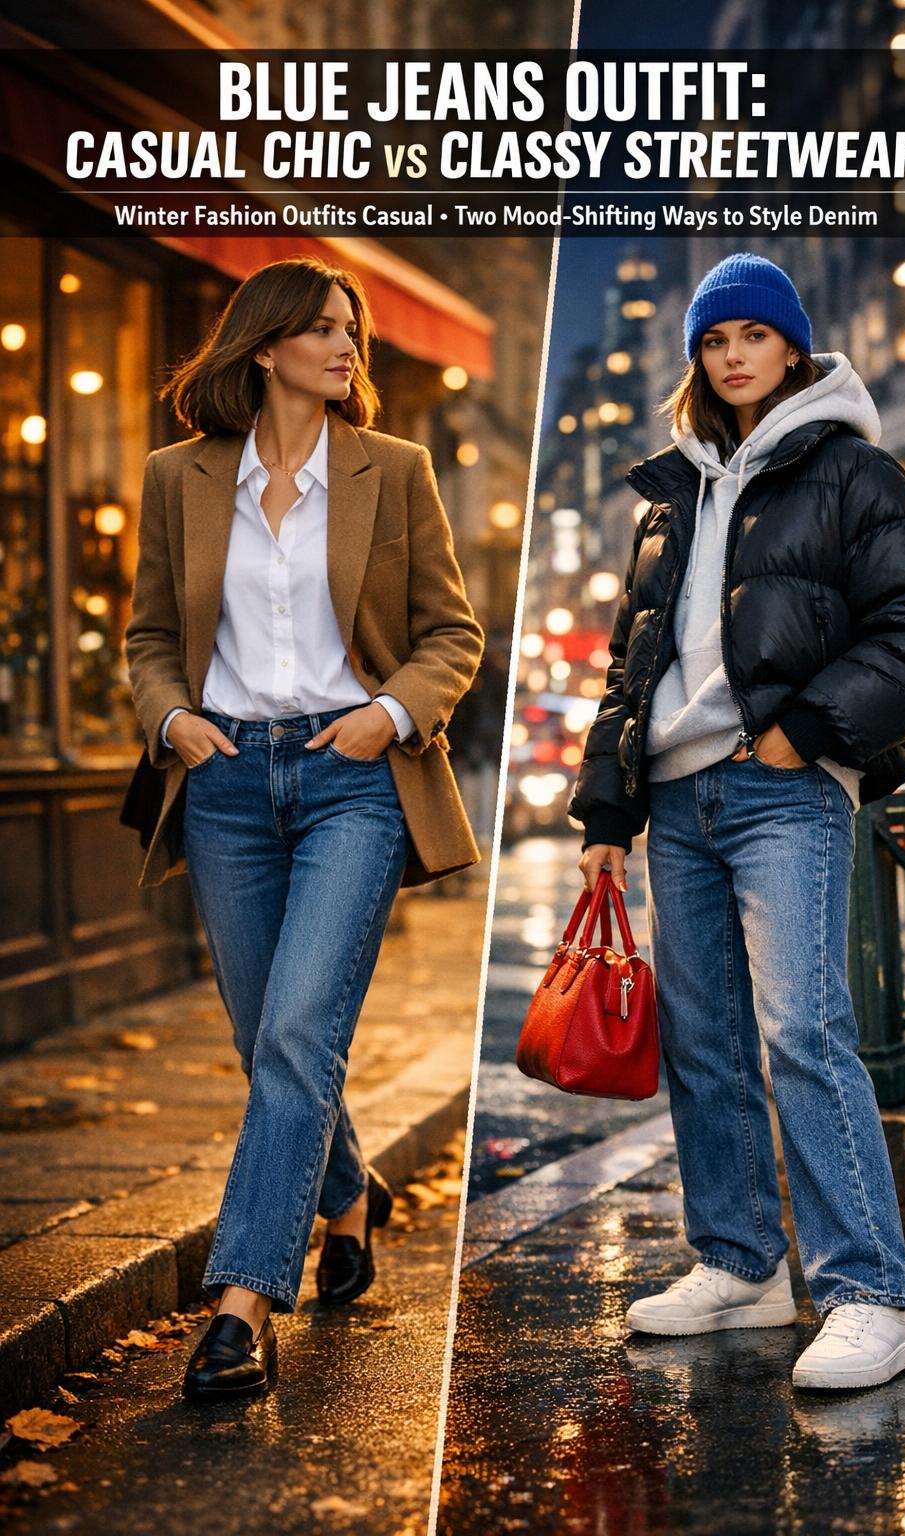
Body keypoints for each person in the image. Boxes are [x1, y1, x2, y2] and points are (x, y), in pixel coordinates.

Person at [569, 253, 905, 1392]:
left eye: (752, 335)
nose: (733, 355)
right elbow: (632, 665)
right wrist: (608, 810)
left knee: (804, 1033)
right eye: (713, 340)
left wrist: (802, 731)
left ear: (792, 346)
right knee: (702, 1043)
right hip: (676, 795)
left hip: (783, 787)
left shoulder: (853, 471)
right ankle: (741, 1265)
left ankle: (870, 1296)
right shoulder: (669, 495)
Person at [125, 255, 484, 1401]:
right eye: (324, 328)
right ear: (266, 344)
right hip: (225, 780)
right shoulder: (179, 477)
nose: (345, 347)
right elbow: (148, 639)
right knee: (267, 1041)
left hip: (352, 781)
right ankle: (346, 1194)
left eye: (352, 330)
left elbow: (451, 634)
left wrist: (389, 716)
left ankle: (241, 1307)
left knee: (294, 1035)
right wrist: (172, 720)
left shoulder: (395, 469)